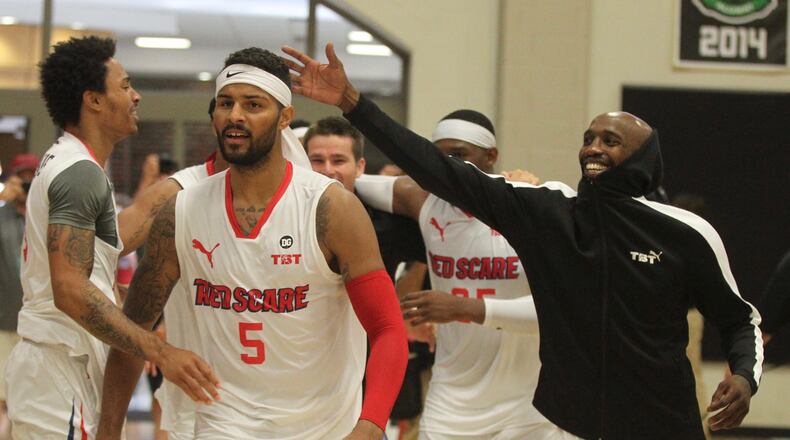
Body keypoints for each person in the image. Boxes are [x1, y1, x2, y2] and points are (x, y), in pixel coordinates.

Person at [282, 43, 764, 440]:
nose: (593, 147)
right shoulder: (546, 213)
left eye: (611, 141)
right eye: (589, 137)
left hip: (662, 424)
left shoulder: (685, 232)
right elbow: (436, 170)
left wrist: (744, 377)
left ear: (643, 159)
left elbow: (740, 319)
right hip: (568, 425)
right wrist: (352, 103)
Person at [98, 47, 408, 440]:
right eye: (225, 103)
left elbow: (387, 328)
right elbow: (133, 332)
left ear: (285, 118)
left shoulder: (330, 208)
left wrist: (371, 424)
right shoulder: (182, 209)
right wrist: (108, 432)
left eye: (253, 104)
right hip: (221, 426)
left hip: (322, 429)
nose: (235, 115)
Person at [4, 36, 218, 438]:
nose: (135, 96)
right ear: (94, 100)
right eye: (124, 86)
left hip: (57, 366)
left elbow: (118, 236)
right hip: (59, 367)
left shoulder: (74, 163)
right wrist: (158, 350)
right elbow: (69, 289)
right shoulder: (78, 174)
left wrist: (204, 173)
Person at [353, 110, 556, 439]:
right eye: (437, 157)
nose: (444, 167)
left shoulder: (529, 204)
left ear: (491, 156)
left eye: (458, 155)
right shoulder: (423, 201)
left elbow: (559, 308)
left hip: (526, 406)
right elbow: (342, 178)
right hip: (451, 402)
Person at [0, 154, 37, 438]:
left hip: (36, 325)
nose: (26, 183)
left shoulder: (45, 214)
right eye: (21, 178)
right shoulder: (1, 213)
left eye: (31, 177)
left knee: (28, 401)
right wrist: (2, 196)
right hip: (3, 322)